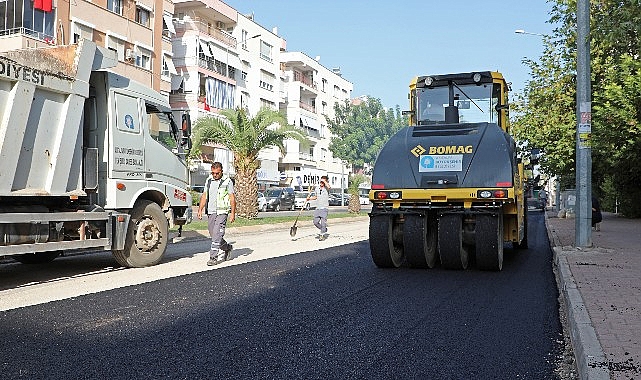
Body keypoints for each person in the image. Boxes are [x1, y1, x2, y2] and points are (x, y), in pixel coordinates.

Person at [197, 162, 236, 266]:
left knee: (217, 234)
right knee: (213, 233)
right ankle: (227, 247)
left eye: (217, 173)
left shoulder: (227, 181)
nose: (215, 175)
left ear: (221, 171)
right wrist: (200, 210)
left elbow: (232, 197)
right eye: (213, 173)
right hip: (211, 211)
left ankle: (213, 257)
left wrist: (232, 213)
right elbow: (204, 195)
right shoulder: (209, 180)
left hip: (222, 212)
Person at [311, 175, 331, 241]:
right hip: (318, 208)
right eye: (321, 181)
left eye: (323, 181)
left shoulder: (327, 188)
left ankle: (322, 235)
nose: (321, 182)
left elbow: (329, 187)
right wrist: (309, 199)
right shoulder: (317, 188)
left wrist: (324, 181)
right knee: (315, 222)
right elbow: (316, 197)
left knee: (323, 223)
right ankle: (324, 229)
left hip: (324, 208)